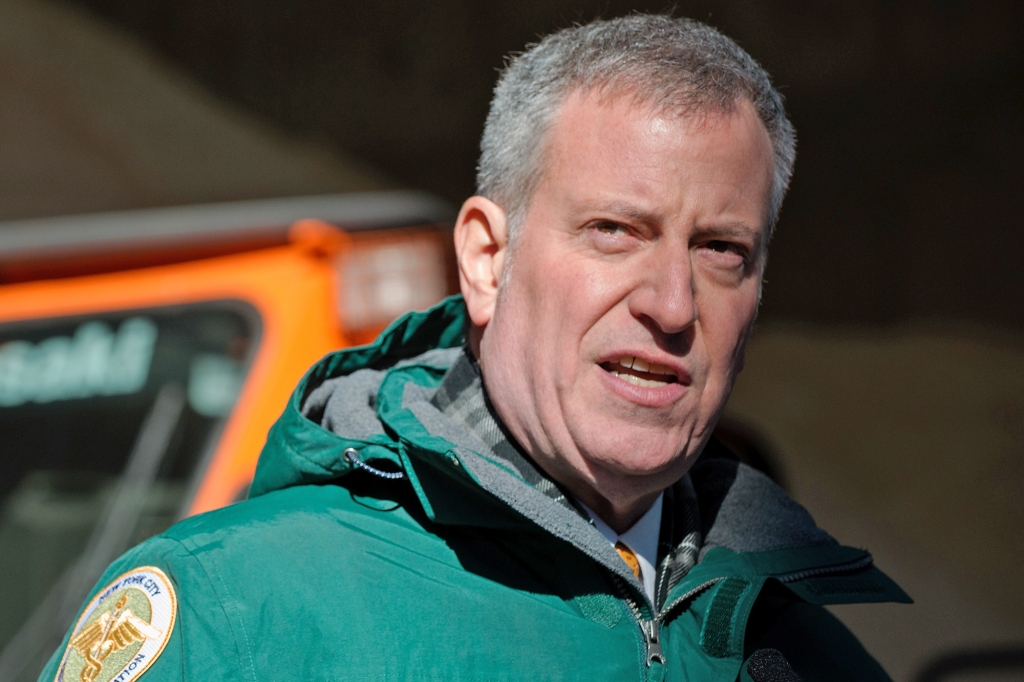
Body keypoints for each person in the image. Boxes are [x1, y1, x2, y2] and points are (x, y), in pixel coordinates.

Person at [41, 15, 908, 682]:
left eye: (722, 250)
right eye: (614, 231)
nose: (672, 304)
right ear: (487, 260)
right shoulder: (237, 616)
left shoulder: (811, 654)